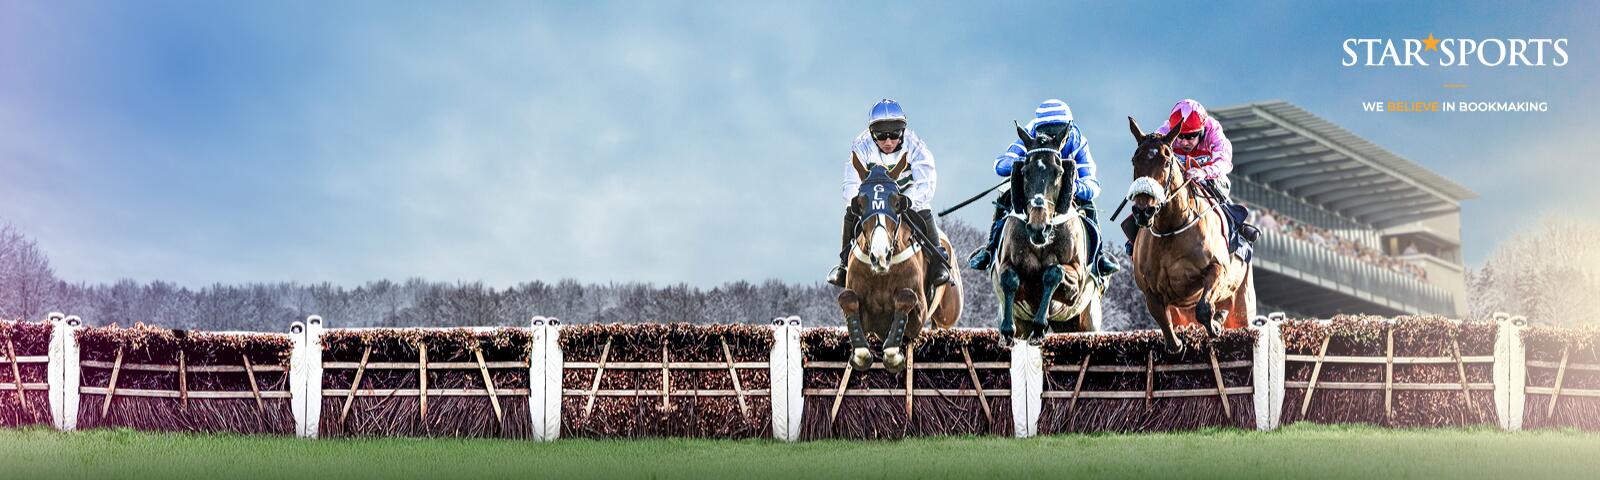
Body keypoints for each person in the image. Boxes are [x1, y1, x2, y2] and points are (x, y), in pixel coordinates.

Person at [966, 99, 1120, 277]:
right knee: (1004, 195)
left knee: (1089, 203)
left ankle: (1099, 256)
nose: (1052, 137)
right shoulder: (1029, 135)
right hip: (1034, 187)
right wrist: (1024, 165)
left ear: (1067, 130)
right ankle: (990, 248)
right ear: (1037, 129)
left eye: (1058, 131)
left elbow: (1092, 183)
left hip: (1063, 190)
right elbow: (1001, 165)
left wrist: (1072, 186)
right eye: (1046, 131)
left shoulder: (1078, 142)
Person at [826, 99, 951, 288]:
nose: (888, 141)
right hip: (874, 197)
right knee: (850, 211)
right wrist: (856, 200)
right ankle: (844, 264)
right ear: (871, 134)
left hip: (905, 193)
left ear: (902, 131)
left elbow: (926, 182)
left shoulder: (915, 145)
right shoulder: (861, 145)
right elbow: (851, 182)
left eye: (894, 134)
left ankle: (938, 263)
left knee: (923, 209)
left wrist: (909, 200)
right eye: (881, 136)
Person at [1122, 99, 1258, 256]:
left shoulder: (1213, 130)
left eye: (1191, 136)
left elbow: (1224, 162)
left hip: (1209, 177)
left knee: (1216, 185)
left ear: (1201, 130)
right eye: (1180, 136)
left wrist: (1204, 172)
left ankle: (1237, 226)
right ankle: (1138, 229)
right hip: (1177, 178)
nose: (1185, 142)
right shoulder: (1165, 130)